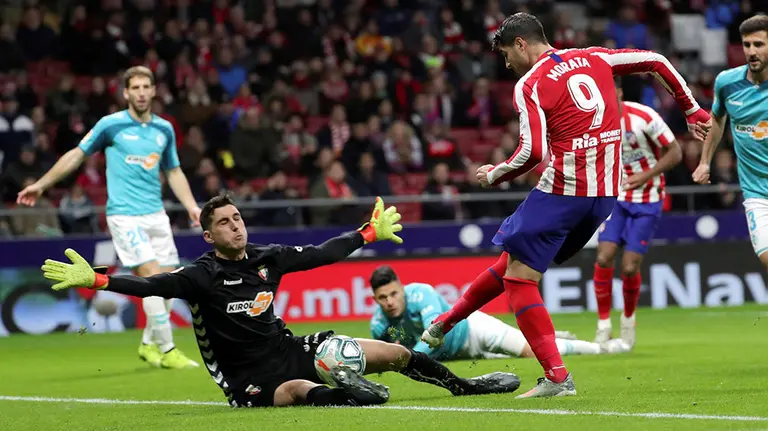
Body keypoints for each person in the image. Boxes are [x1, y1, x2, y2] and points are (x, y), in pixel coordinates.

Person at [420, 12, 711, 398]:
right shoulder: (597, 57)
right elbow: (657, 61)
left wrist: (494, 174)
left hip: (563, 191)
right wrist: (691, 109)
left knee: (520, 281)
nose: (507, 64)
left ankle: (558, 377)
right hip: (603, 199)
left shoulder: (531, 83)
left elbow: (532, 152)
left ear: (522, 44)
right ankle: (446, 321)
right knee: (513, 262)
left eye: (507, 54)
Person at [40, 196, 521, 408]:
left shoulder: (267, 257)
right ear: (209, 234)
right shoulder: (200, 276)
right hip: (248, 378)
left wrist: (366, 233)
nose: (236, 225)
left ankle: (465, 388)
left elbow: (320, 254)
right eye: (225, 222)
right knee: (294, 392)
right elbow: (149, 286)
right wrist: (98, 279)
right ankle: (348, 396)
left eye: (238, 218)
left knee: (392, 354)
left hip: (291, 348)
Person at [17, 66, 201, 369]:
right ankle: (168, 350)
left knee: (169, 283)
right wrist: (41, 184)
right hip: (125, 216)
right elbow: (77, 154)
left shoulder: (164, 130)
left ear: (154, 91)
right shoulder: (110, 125)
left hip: (156, 214)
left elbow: (174, 171)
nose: (141, 92)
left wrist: (192, 206)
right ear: (125, 92)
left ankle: (147, 345)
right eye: (135, 87)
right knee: (154, 276)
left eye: (146, 86)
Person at [369, 266, 631, 361]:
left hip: (473, 331)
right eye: (383, 298)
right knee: (508, 357)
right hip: (457, 357)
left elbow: (434, 336)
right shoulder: (378, 325)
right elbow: (388, 350)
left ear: (401, 288)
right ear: (375, 299)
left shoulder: (420, 294)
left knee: (532, 351)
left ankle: (602, 348)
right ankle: (547, 335)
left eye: (393, 294)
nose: (390, 302)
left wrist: (407, 360)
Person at [592, 77, 682, 347]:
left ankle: (628, 321)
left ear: (618, 92)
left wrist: (647, 174)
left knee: (630, 267)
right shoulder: (594, 122)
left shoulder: (644, 116)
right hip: (616, 199)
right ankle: (603, 325)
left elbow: (675, 152)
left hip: (648, 198)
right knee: (604, 256)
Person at [693, 15, 768, 270]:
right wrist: (705, 162)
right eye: (747, 45)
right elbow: (716, 119)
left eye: (759, 44)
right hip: (757, 192)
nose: (751, 51)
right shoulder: (727, 83)